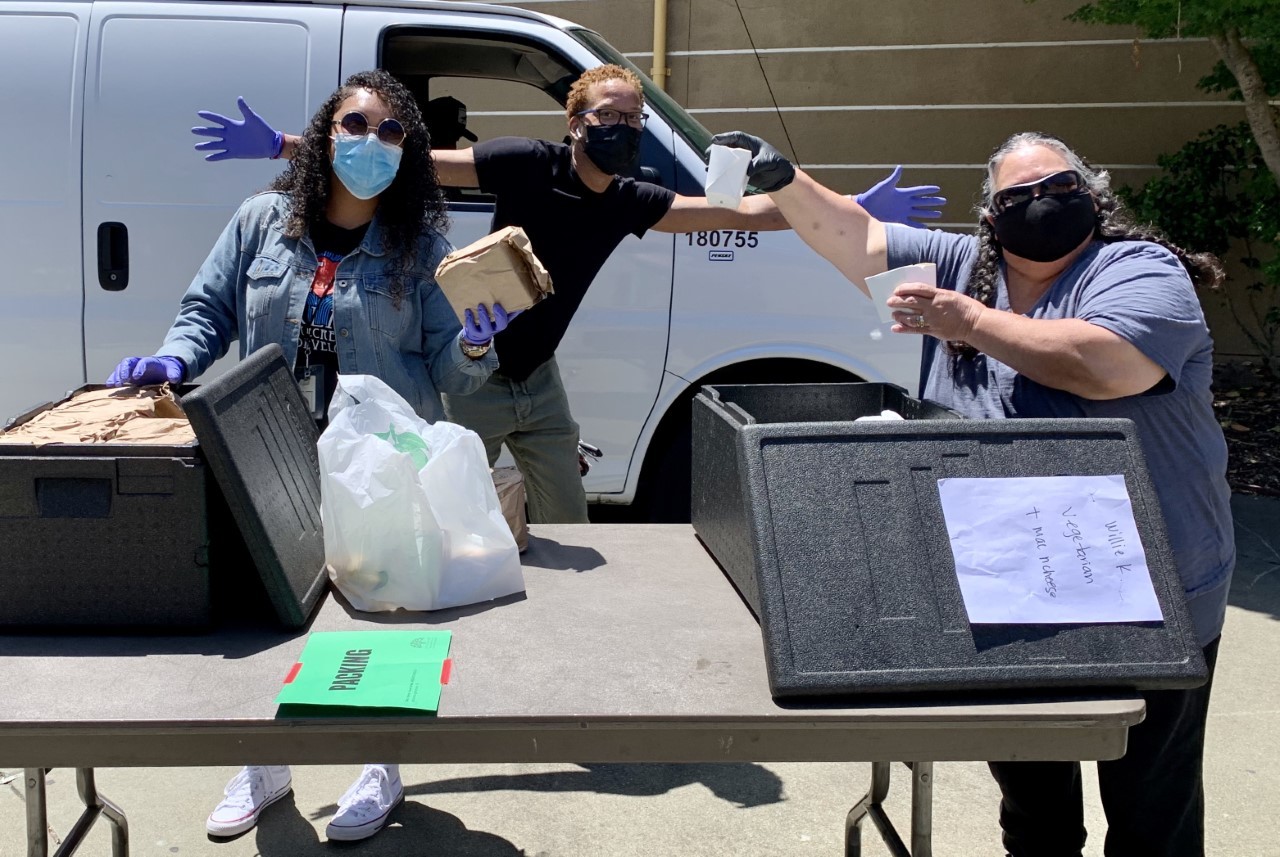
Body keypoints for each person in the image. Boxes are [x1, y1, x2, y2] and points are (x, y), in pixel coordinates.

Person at [712, 128, 1234, 857]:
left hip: (1157, 589)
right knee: (1034, 809)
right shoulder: (964, 264)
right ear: (991, 217)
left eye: (1060, 188)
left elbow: (1108, 365)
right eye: (1019, 197)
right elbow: (856, 236)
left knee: (1153, 813)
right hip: (1015, 586)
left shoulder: (1138, 268)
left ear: (1095, 197)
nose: (1042, 204)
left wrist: (971, 322)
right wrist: (784, 178)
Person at [192, 64, 945, 523]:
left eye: (633, 119)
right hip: (471, 373)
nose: (621, 128)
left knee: (571, 523)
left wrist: (847, 207)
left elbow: (736, 210)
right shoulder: (525, 162)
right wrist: (288, 146)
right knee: (445, 516)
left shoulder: (628, 198)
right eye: (607, 116)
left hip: (540, 382)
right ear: (573, 121)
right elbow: (420, 157)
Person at [110, 69, 513, 843]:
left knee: (380, 611)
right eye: (356, 125)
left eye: (392, 131)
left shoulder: (421, 248)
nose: (372, 142)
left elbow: (453, 371)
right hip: (270, 450)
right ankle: (264, 763)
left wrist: (475, 339)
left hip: (378, 462)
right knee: (265, 614)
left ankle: (378, 763)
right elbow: (208, 311)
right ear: (326, 135)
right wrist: (172, 358)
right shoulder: (262, 222)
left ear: (410, 151)